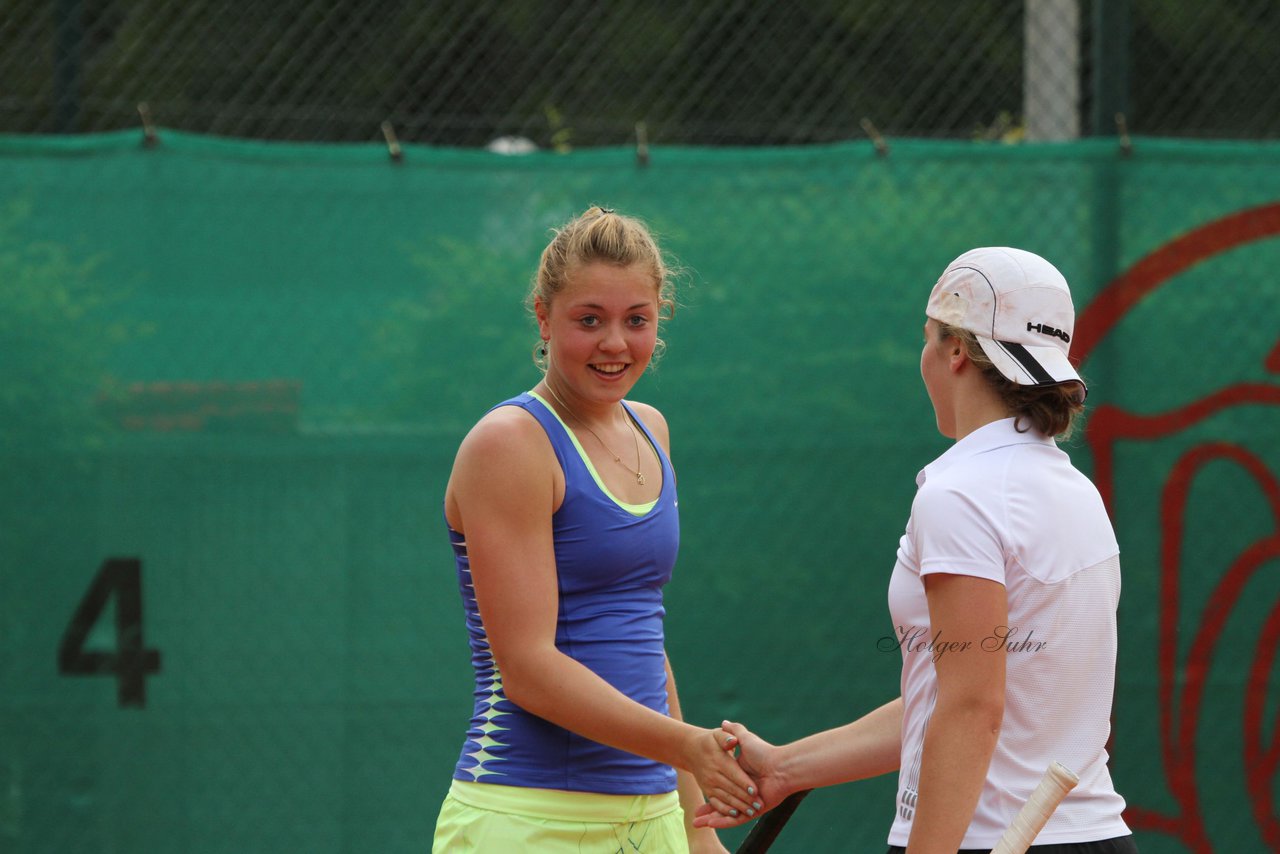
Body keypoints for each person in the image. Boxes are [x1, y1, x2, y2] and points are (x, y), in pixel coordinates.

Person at [696, 247, 1137, 853]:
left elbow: (971, 708)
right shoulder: (1073, 490)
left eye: (929, 338)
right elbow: (957, 694)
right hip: (1094, 839)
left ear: (955, 350)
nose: (924, 355)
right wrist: (787, 768)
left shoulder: (960, 493)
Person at [432, 206, 759, 853]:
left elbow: (643, 636)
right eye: (590, 320)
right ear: (543, 317)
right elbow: (526, 667)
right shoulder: (509, 444)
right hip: (526, 818)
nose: (615, 343)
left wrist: (698, 832)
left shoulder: (651, 429)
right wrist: (690, 748)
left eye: (635, 320)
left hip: (655, 817)